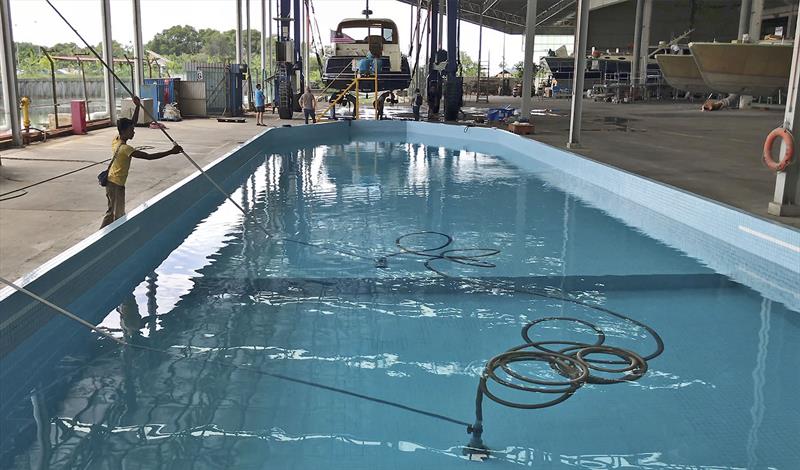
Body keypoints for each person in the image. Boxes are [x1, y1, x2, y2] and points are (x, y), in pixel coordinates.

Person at [101, 96, 182, 228]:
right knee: (118, 215)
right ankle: (115, 237)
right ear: (125, 132)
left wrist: (138, 106)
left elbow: (132, 122)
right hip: (116, 185)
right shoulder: (125, 149)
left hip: (110, 182)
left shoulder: (116, 139)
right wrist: (171, 152)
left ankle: (101, 235)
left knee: (111, 212)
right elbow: (148, 156)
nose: (134, 131)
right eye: (131, 130)